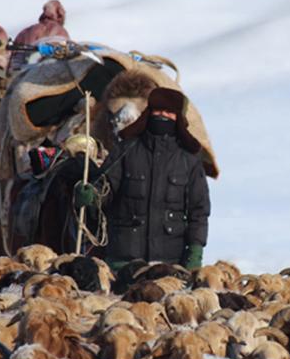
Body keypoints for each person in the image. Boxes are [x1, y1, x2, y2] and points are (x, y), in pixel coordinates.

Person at [74, 87, 210, 270]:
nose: (162, 116)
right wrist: (91, 195)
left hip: (169, 265)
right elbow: (105, 188)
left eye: (169, 112)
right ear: (148, 113)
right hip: (122, 263)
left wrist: (195, 253)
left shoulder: (189, 160)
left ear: (178, 118)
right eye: (158, 110)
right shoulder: (125, 150)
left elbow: (198, 212)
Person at [8, 0, 70, 74]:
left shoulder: (23, 32)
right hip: (48, 73)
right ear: (59, 16)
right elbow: (64, 58)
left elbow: (11, 61)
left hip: (18, 74)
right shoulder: (60, 31)